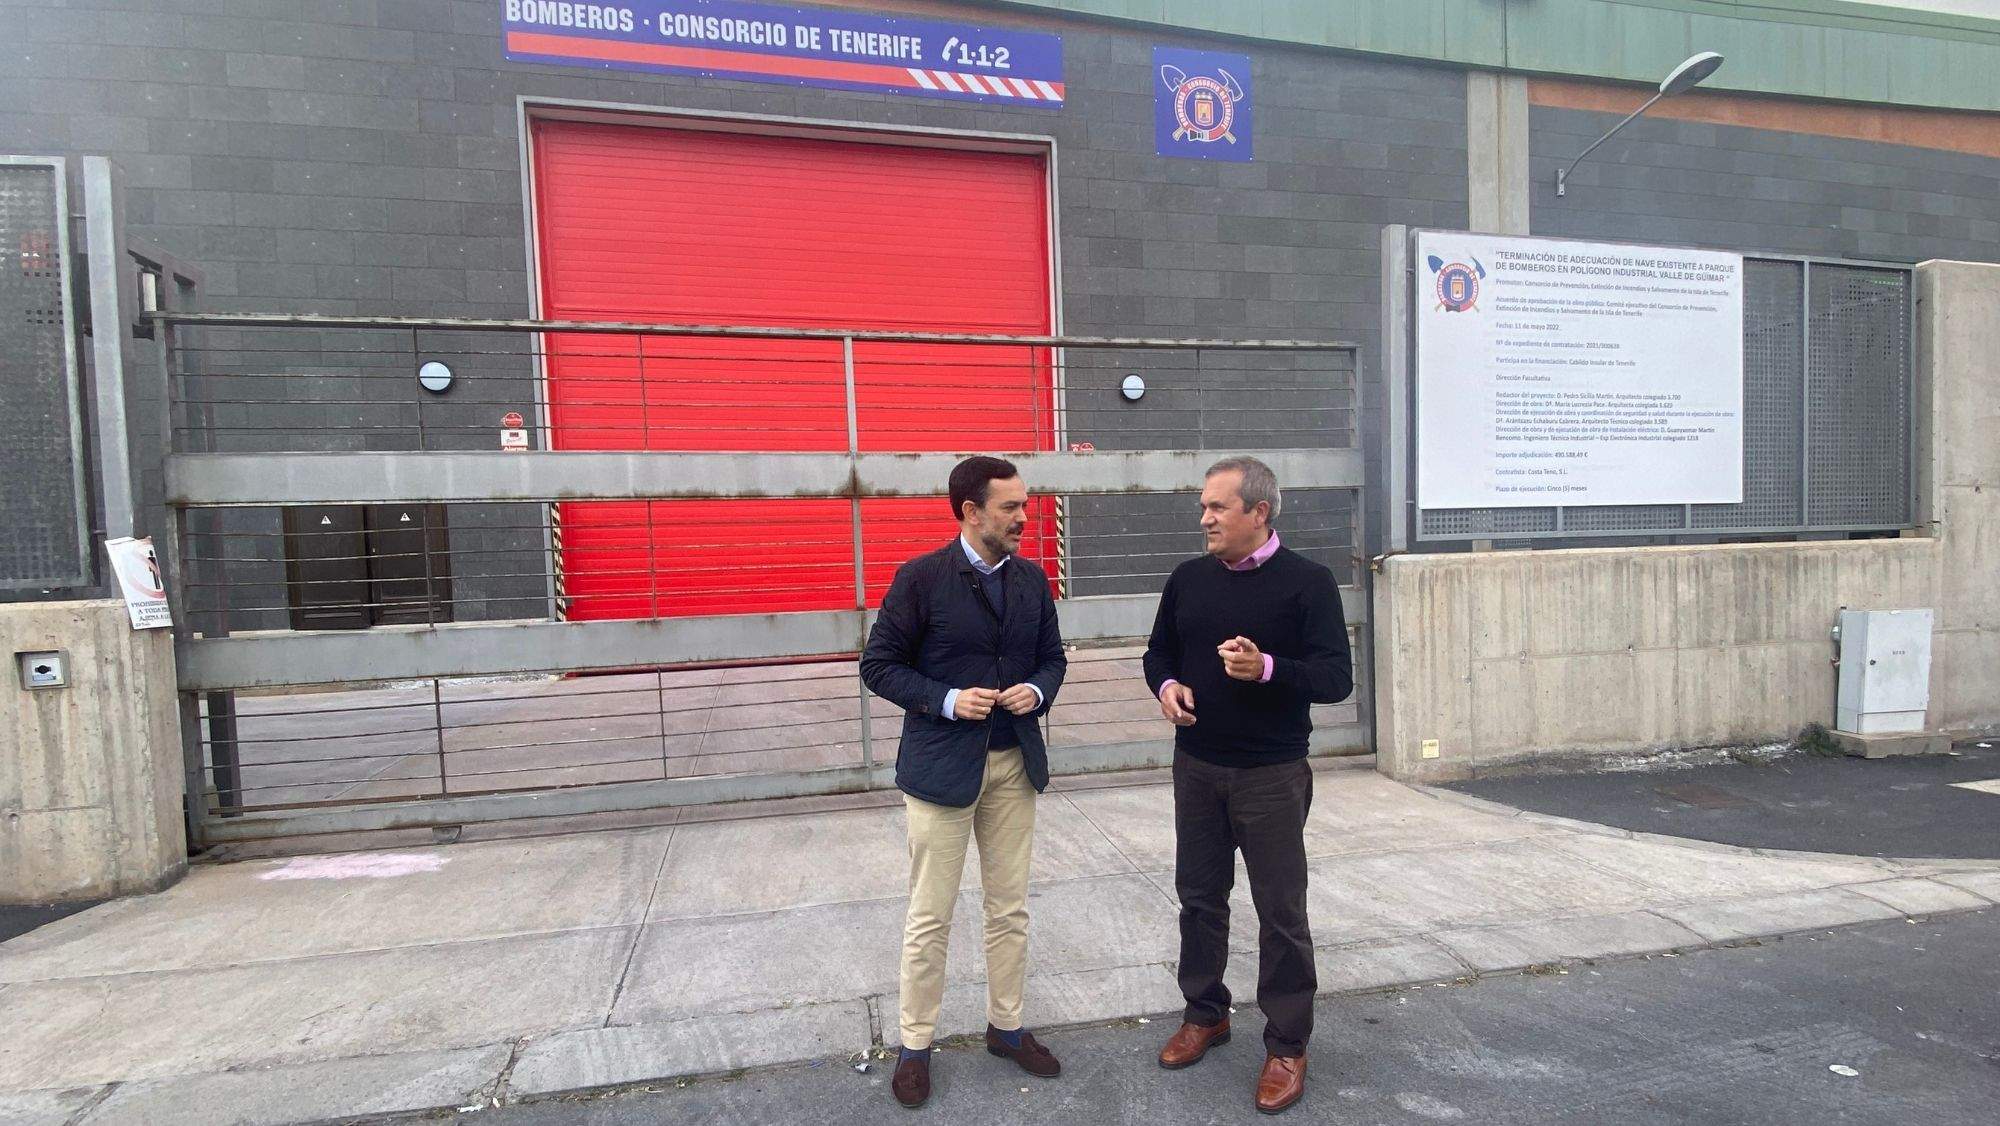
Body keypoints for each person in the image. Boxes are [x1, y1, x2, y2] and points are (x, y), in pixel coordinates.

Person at [1142, 455, 1353, 1115]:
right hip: (1197, 766)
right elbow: (1159, 653)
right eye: (1203, 506)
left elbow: (1335, 679)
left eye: (1217, 507)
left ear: (1258, 512)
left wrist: (1266, 669)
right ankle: (1206, 1013)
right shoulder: (1188, 580)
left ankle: (1287, 1044)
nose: (1204, 517)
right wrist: (1167, 686)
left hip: (1272, 775)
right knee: (1199, 900)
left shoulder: (1308, 583)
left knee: (1281, 913)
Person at [860, 454, 1068, 1109]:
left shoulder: (1033, 580)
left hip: (1014, 767)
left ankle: (1006, 1028)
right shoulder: (920, 579)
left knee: (1010, 909)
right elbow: (879, 666)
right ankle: (915, 1044)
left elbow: (1053, 659)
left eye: (1025, 506)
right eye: (1011, 507)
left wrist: (1037, 689)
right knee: (931, 917)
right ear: (971, 512)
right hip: (940, 773)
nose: (1024, 517)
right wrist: (948, 700)